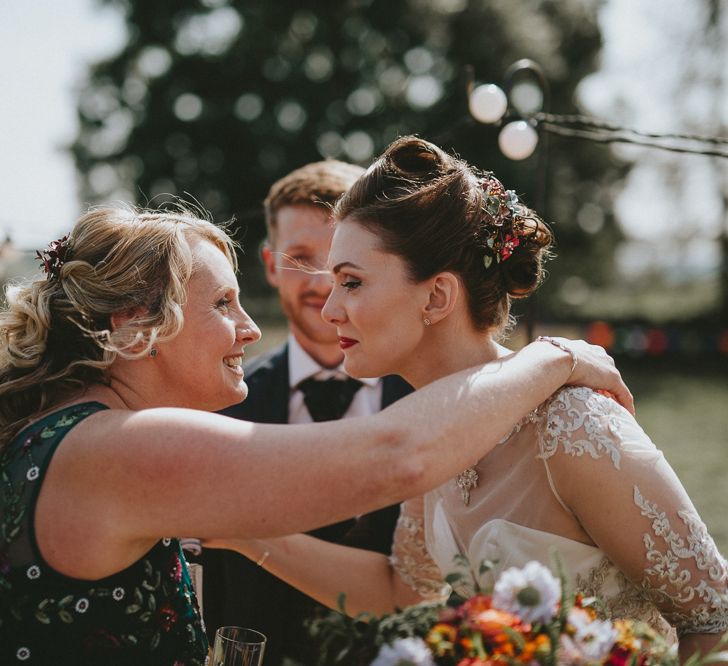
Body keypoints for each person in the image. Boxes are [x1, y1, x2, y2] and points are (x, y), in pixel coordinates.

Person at [0, 204, 627, 665]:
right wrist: (551, 359)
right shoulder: (119, 449)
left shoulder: (63, 434)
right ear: (137, 323)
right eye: (222, 304)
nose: (250, 329)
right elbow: (398, 456)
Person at [204, 137, 728, 660]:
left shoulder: (572, 423)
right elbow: (400, 593)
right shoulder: (434, 428)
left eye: (352, 282)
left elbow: (713, 621)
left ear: (436, 297)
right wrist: (241, 535)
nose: (330, 309)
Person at [200, 160, 412, 665]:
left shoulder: (428, 395)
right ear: (271, 264)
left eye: (343, 266)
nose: (322, 282)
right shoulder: (223, 403)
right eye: (300, 258)